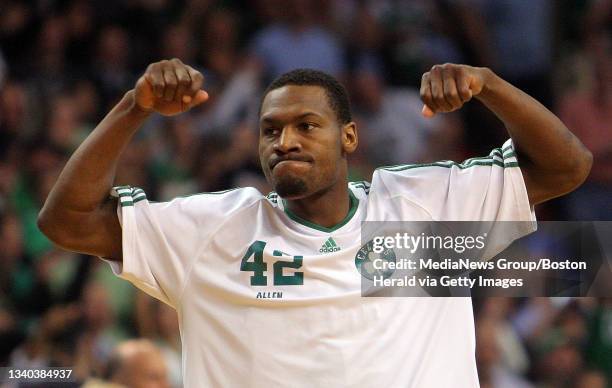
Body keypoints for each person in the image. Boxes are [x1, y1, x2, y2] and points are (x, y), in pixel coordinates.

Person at [38, 58, 592, 387]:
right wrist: (133, 108)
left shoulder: (421, 209)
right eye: (270, 129)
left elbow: (567, 165)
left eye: (307, 125)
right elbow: (67, 221)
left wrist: (488, 85)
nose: (286, 141)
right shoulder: (215, 229)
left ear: (349, 136)